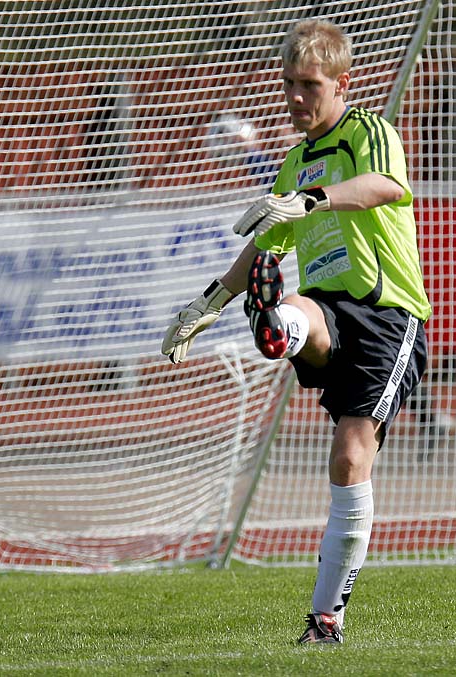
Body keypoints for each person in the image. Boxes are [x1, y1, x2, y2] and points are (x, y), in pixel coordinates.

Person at [161, 19, 431, 645]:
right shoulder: (294, 161)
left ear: (341, 83)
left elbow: (384, 187)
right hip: (328, 310)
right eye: (288, 84)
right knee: (297, 304)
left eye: (308, 84)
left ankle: (326, 619)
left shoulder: (368, 130)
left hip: (389, 318)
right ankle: (276, 326)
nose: (295, 97)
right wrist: (206, 305)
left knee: (349, 457)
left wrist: (311, 200)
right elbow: (263, 245)